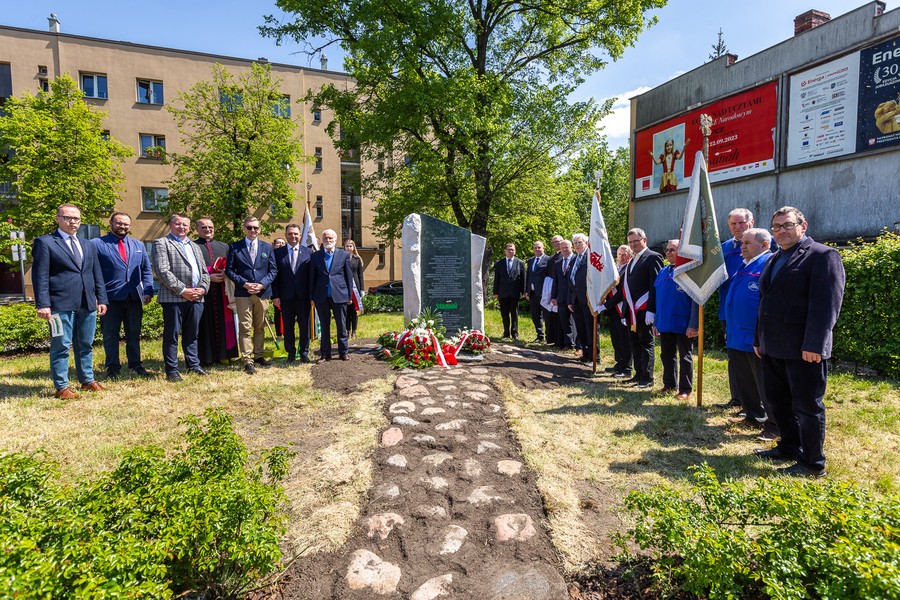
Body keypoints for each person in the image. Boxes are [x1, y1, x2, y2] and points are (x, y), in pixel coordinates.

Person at [754, 206, 845, 477]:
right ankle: (789, 447)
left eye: (787, 225)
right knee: (777, 402)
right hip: (773, 346)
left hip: (804, 348)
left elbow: (826, 304)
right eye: (776, 226)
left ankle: (813, 462)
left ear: (803, 226)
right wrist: (758, 338)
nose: (781, 230)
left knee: (807, 407)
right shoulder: (773, 258)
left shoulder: (823, 256)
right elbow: (764, 302)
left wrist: (815, 344)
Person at [32, 204, 108, 398]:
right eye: (68, 217)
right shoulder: (45, 242)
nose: (73, 221)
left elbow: (96, 274)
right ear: (58, 218)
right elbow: (40, 276)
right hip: (59, 304)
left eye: (76, 218)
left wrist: (101, 298)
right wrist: (42, 304)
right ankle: (62, 387)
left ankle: (87, 380)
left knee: (86, 344)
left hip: (87, 303)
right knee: (61, 345)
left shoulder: (88, 244)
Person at [724, 228, 777, 439]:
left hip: (754, 336)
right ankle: (753, 415)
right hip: (737, 334)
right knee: (745, 379)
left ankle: (774, 425)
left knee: (765, 383)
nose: (742, 247)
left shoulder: (769, 263)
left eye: (747, 243)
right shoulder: (744, 264)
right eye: (742, 243)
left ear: (764, 245)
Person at [91, 212, 154, 379]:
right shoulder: (97, 244)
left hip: (134, 297)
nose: (122, 226)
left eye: (126, 224)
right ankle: (112, 367)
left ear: (130, 226)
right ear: (111, 223)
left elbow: (146, 270)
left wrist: (148, 291)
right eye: (119, 223)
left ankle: (135, 365)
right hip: (109, 298)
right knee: (110, 335)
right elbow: (91, 272)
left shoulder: (138, 245)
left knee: (134, 333)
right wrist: (97, 296)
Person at [151, 214, 210, 382]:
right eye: (178, 224)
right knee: (172, 335)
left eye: (185, 225)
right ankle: (172, 370)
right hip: (173, 297)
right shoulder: (161, 243)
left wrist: (202, 289)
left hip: (196, 297)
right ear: (171, 225)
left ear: (190, 228)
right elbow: (162, 271)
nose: (182, 227)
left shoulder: (195, 246)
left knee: (192, 334)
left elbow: (204, 272)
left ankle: (193, 365)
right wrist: (183, 290)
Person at [226, 216, 278, 375]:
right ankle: (247, 360)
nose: (252, 230)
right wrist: (245, 284)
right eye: (249, 227)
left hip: (262, 292)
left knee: (260, 326)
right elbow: (229, 271)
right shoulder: (235, 247)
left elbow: (273, 270)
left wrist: (262, 284)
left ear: (259, 229)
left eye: (255, 227)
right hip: (244, 293)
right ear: (244, 229)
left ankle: (259, 355)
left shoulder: (267, 247)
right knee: (245, 327)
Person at [648, 240, 698, 400]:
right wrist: (656, 322)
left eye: (672, 250)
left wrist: (693, 324)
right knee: (666, 355)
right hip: (665, 322)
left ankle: (685, 389)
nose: (668, 252)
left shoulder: (689, 271)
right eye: (667, 250)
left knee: (685, 356)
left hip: (683, 324)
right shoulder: (663, 272)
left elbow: (696, 300)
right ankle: (669, 384)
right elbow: (658, 299)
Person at [715, 208, 755, 409]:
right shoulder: (722, 248)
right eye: (734, 224)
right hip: (728, 311)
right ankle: (737, 398)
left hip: (752, 313)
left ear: (751, 222)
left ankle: (756, 404)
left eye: (742, 223)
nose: (738, 227)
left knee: (754, 359)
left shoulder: (765, 244)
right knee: (734, 356)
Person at [622, 228, 663, 389]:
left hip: (645, 310)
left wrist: (652, 310)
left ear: (644, 240)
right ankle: (638, 374)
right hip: (632, 311)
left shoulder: (653, 257)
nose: (633, 245)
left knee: (646, 343)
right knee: (635, 343)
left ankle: (647, 377)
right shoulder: (632, 260)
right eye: (630, 242)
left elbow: (655, 285)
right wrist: (625, 312)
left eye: (636, 241)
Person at [193, 217, 238, 365]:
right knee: (205, 323)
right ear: (197, 229)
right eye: (204, 227)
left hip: (222, 290)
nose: (208, 230)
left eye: (210, 227)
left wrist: (226, 273)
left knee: (224, 323)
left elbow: (231, 266)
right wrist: (208, 277)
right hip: (203, 291)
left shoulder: (224, 246)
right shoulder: (192, 246)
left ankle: (225, 354)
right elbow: (190, 270)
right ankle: (207, 357)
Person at [310, 228, 354, 361]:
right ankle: (325, 354)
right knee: (324, 327)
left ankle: (343, 352)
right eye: (325, 238)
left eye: (330, 238)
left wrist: (349, 296)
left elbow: (348, 276)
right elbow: (312, 278)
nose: (328, 240)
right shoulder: (315, 256)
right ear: (322, 240)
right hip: (321, 297)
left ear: (335, 240)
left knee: (341, 325)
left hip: (340, 296)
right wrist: (311, 297)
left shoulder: (343, 255)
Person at [273, 224, 314, 364]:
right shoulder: (277, 253)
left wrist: (312, 296)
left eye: (296, 234)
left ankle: (304, 353)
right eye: (290, 234)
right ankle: (290, 353)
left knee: (304, 326)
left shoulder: (308, 252)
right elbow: (275, 276)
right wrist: (275, 296)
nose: (293, 236)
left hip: (304, 297)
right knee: (288, 326)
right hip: (285, 297)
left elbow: (311, 277)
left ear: (300, 235)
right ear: (285, 235)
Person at [605, 245, 633, 379]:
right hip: (613, 309)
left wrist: (607, 305)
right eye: (619, 254)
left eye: (624, 254)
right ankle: (619, 363)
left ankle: (626, 367)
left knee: (624, 339)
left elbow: (622, 292)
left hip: (622, 307)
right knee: (615, 337)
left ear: (630, 256)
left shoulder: (629, 269)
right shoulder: (615, 269)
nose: (621, 257)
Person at [568, 233, 594, 362]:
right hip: (576, 300)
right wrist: (570, 301)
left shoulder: (591, 258)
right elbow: (570, 282)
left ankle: (594, 356)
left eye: (580, 242)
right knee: (581, 328)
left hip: (588, 299)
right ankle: (585, 354)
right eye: (575, 243)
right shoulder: (574, 259)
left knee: (590, 329)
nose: (577, 245)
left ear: (586, 243)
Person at [550, 239, 576, 350]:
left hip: (574, 297)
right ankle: (568, 343)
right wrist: (553, 296)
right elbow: (555, 282)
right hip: (561, 297)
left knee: (575, 322)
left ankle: (577, 344)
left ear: (572, 248)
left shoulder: (576, 260)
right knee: (564, 322)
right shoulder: (558, 263)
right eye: (562, 248)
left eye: (567, 247)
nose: (564, 250)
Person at [525, 240, 550, 343]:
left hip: (544, 292)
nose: (537, 249)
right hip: (532, 292)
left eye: (539, 247)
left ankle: (549, 337)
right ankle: (540, 335)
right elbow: (528, 276)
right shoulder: (531, 260)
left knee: (546, 315)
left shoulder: (548, 260)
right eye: (535, 248)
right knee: (535, 315)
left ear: (543, 248)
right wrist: (527, 291)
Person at [544, 235, 564, 346]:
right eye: (554, 242)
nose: (556, 244)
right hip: (552, 290)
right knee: (552, 316)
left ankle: (561, 341)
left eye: (558, 241)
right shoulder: (551, 258)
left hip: (561, 292)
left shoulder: (564, 256)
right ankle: (554, 339)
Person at [344, 239, 365, 339]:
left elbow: (360, 275)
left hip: (356, 287)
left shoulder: (357, 259)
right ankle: (347, 331)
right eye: (347, 246)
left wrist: (362, 289)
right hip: (345, 287)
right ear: (344, 247)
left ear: (353, 247)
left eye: (350, 246)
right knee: (347, 311)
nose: (349, 248)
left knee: (354, 311)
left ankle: (354, 331)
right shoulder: (342, 258)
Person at [272, 237, 287, 339]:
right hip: (277, 289)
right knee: (278, 312)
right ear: (274, 245)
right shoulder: (272, 255)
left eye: (282, 243)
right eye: (278, 243)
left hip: (287, 289)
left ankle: (287, 332)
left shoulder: (286, 255)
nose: (280, 244)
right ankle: (279, 334)